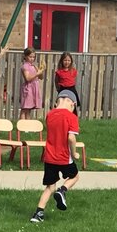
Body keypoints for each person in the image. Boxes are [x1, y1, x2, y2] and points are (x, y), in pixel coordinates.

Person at [30, 90, 80, 223]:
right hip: (64, 157)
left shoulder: (49, 115)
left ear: (57, 102)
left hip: (49, 158)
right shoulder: (71, 117)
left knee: (50, 187)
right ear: (72, 104)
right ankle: (62, 191)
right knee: (75, 176)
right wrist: (74, 153)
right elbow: (71, 138)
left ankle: (38, 214)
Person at [19, 49, 45, 119]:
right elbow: (27, 78)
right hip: (28, 88)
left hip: (34, 88)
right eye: (30, 57)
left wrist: (40, 71)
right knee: (25, 108)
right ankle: (22, 123)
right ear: (25, 56)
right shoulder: (25, 66)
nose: (32, 59)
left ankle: (28, 124)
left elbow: (41, 77)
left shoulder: (33, 66)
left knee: (29, 109)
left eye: (33, 57)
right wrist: (37, 74)